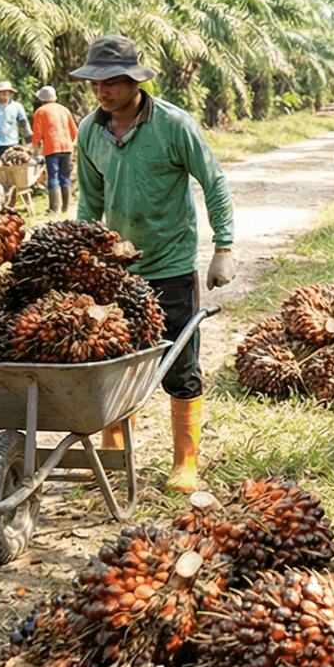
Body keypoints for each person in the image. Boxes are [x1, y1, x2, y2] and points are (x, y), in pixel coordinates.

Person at [70, 35, 236, 493]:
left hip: (171, 265)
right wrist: (83, 256)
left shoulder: (172, 125)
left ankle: (185, 462)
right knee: (113, 361)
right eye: (96, 82)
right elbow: (90, 201)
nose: (102, 91)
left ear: (135, 80)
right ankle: (112, 452)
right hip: (118, 272)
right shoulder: (89, 131)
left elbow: (214, 182)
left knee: (179, 363)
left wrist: (224, 248)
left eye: (112, 81)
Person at [30, 86, 78, 213]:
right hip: (67, 148)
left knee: (53, 177)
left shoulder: (41, 111)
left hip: (52, 148)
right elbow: (74, 131)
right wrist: (68, 143)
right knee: (65, 177)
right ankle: (66, 207)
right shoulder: (64, 110)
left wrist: (32, 146)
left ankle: (54, 208)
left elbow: (38, 133)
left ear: (41, 99)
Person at [0, 82, 31, 159]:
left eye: (7, 92)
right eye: (2, 92)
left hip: (12, 144)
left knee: (12, 168)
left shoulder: (17, 106)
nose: (5, 93)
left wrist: (29, 140)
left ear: (10, 93)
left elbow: (24, 123)